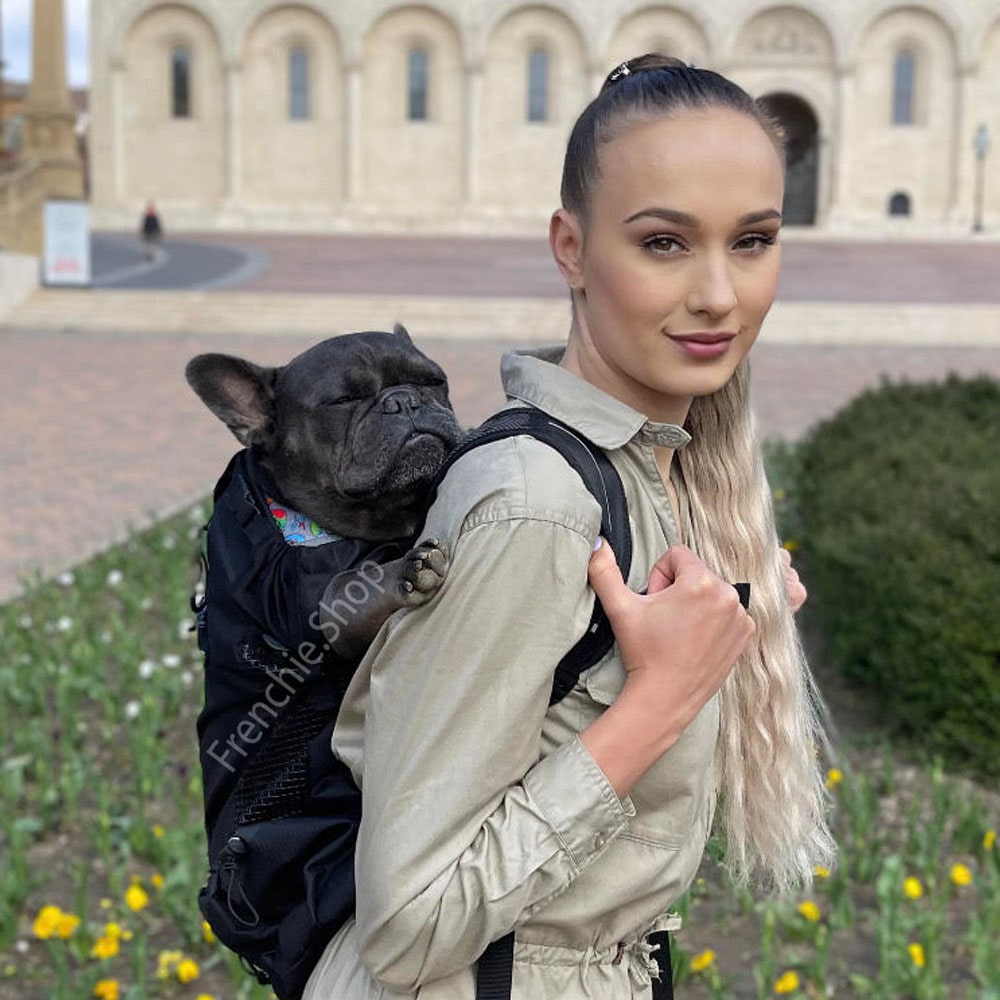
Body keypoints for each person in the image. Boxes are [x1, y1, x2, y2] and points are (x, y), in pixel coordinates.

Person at [303, 54, 835, 1000]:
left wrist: (734, 635)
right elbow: (407, 924)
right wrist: (663, 696)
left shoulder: (658, 471)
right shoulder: (537, 504)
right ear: (571, 247)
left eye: (752, 240)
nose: (720, 293)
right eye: (665, 243)